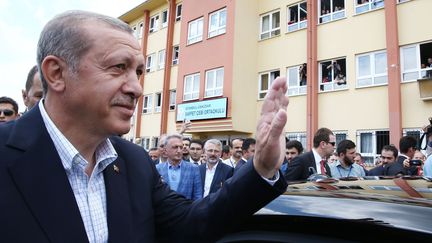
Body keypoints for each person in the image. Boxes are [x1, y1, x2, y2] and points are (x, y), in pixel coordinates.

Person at [0, 10, 289, 242]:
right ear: (57, 73)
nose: (136, 88)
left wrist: (261, 168)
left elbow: (193, 225)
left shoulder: (134, 162)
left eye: (139, 71)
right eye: (118, 67)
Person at [156, 134, 202, 200]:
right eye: (175, 147)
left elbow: (198, 196)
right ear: (166, 150)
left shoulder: (193, 169)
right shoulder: (157, 169)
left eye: (181, 147)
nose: (179, 151)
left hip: (186, 209)